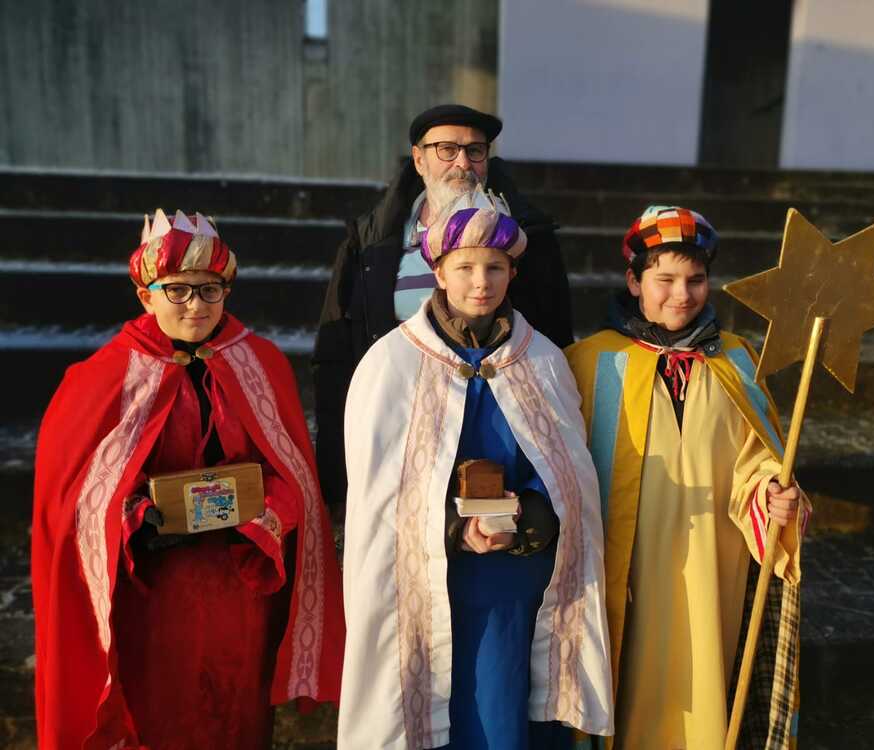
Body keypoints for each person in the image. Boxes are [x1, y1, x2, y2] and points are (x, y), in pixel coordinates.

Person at [31, 210, 345, 750]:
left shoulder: (260, 364)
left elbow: (294, 476)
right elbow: (72, 504)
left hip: (240, 591)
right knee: (161, 719)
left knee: (236, 718)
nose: (196, 305)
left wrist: (264, 514)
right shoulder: (101, 377)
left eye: (209, 289)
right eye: (176, 290)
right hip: (155, 597)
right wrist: (136, 519)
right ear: (146, 295)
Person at [338, 189, 612, 749]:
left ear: (514, 272)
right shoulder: (390, 363)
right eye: (464, 267)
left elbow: (570, 478)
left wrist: (527, 518)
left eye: (495, 267)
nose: (480, 282)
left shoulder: (543, 359)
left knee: (505, 722)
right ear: (438, 272)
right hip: (430, 583)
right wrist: (454, 528)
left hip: (516, 586)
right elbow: (378, 498)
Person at [564, 206, 811, 749]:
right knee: (627, 680)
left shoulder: (737, 360)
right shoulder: (589, 362)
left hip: (713, 566)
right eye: (665, 280)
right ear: (634, 281)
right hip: (625, 569)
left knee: (706, 678)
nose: (682, 294)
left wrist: (771, 493)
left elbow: (756, 457)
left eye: (696, 280)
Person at [313, 103, 574, 514]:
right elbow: (336, 354)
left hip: (499, 433)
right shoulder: (373, 241)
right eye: (446, 149)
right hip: (400, 430)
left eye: (475, 151)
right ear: (419, 159)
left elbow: (555, 338)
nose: (462, 163)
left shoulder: (530, 238)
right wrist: (336, 474)